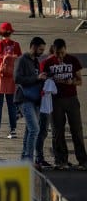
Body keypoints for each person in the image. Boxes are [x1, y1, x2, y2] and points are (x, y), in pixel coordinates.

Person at [41, 37, 87, 170]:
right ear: (53, 51)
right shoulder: (47, 62)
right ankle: (61, 160)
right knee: (57, 130)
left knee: (77, 130)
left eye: (62, 53)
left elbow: (80, 81)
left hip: (71, 98)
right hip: (55, 100)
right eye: (57, 54)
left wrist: (71, 82)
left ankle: (83, 160)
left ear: (65, 49)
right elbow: (42, 80)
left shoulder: (73, 60)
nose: (60, 56)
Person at [15, 37, 48, 164]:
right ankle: (29, 160)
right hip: (24, 98)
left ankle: (24, 158)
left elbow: (35, 78)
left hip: (35, 99)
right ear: (33, 46)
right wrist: (36, 77)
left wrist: (42, 79)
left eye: (43, 50)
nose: (41, 52)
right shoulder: (22, 59)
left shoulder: (35, 61)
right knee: (35, 129)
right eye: (40, 49)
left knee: (30, 129)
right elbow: (17, 78)